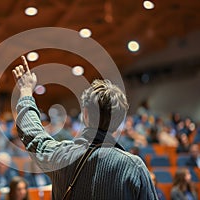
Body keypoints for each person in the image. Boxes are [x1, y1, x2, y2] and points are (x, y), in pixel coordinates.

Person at [12, 56, 158, 199]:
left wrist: (25, 91)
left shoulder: (61, 156)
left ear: (85, 114)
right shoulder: (134, 167)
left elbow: (32, 134)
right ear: (119, 121)